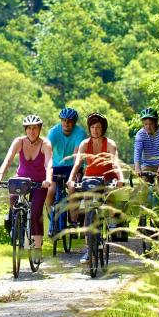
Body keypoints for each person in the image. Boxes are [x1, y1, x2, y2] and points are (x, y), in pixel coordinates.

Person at [0, 114, 53, 261]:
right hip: (21, 179)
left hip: (40, 182)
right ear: (25, 129)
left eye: (35, 128)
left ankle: (37, 249)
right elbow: (8, 159)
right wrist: (0, 176)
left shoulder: (45, 144)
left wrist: (48, 179)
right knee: (13, 201)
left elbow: (49, 164)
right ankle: (14, 222)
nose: (32, 131)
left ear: (40, 129)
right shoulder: (19, 142)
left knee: (36, 211)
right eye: (29, 128)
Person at [66, 112, 125, 264]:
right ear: (89, 129)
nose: (95, 130)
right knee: (88, 211)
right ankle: (87, 249)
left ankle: (111, 221)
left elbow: (116, 163)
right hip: (89, 179)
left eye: (98, 127)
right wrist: (71, 180)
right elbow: (77, 164)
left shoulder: (110, 144)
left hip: (107, 178)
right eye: (92, 127)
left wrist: (121, 178)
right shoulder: (85, 144)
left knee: (111, 195)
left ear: (103, 128)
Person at [46, 107, 86, 221]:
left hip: (72, 166)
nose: (66, 123)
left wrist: (76, 172)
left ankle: (74, 222)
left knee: (72, 190)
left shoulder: (80, 133)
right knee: (50, 191)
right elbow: (48, 151)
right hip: (55, 166)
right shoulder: (53, 131)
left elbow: (76, 154)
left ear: (74, 122)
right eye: (63, 120)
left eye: (69, 121)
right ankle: (51, 216)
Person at [134, 107, 159, 180]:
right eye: (145, 124)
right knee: (144, 188)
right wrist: (137, 168)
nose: (148, 127)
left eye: (151, 124)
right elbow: (137, 152)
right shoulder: (140, 134)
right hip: (147, 166)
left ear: (156, 122)